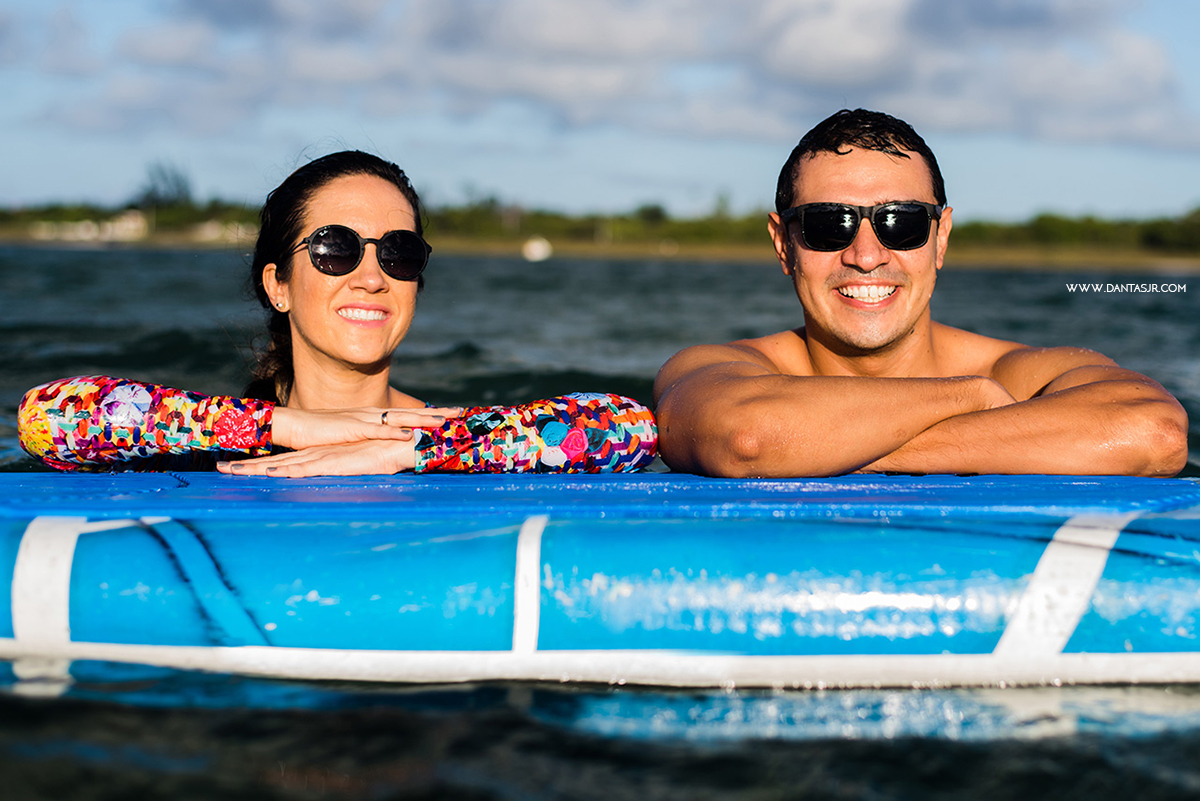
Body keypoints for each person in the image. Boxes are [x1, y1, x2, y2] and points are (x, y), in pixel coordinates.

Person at [19, 151, 657, 475]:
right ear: (279, 285)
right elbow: (47, 417)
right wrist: (291, 429)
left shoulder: (456, 434)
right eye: (334, 249)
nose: (371, 275)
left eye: (399, 253)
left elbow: (628, 426)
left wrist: (409, 450)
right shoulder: (206, 432)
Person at [653, 109, 1188, 478]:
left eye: (901, 223)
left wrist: (822, 447)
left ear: (941, 237)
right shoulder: (721, 366)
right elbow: (750, 438)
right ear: (783, 243)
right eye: (827, 225)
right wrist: (969, 400)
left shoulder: (1021, 374)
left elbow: (1155, 432)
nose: (866, 255)